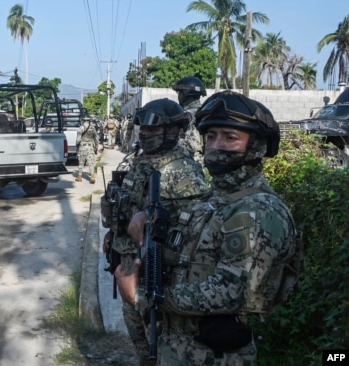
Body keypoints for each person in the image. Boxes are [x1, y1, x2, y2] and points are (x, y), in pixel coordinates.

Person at [115, 91, 299, 365]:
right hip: (179, 347)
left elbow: (230, 292)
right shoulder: (214, 200)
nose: (216, 146)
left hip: (213, 355)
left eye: (230, 137)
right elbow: (190, 258)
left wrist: (142, 296)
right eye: (210, 136)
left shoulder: (258, 209)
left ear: (257, 146)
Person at [103, 98, 208, 365]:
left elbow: (192, 235)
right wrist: (115, 233)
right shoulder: (142, 162)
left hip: (156, 273)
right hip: (128, 264)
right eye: (143, 129)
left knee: (159, 346)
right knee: (139, 342)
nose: (145, 134)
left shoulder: (184, 172)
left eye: (153, 129)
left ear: (174, 130)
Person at [172, 76, 207, 163]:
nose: (178, 96)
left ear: (187, 94)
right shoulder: (205, 111)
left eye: (180, 93)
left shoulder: (187, 115)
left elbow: (192, 145)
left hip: (190, 161)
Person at [75, 114, 99, 183]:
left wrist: (76, 145)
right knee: (91, 162)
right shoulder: (93, 128)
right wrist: (96, 145)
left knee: (81, 162)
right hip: (90, 146)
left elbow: (78, 139)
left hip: (82, 146)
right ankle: (92, 177)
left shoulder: (81, 128)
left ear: (83, 120)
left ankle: (79, 177)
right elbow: (96, 138)